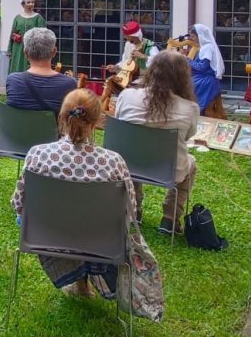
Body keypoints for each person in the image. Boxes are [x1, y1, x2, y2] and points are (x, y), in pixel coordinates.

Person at [12, 90, 159, 312]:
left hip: (46, 236)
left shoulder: (37, 155)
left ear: (61, 117)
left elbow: (18, 204)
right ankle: (83, 281)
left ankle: (77, 281)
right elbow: (130, 212)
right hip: (102, 241)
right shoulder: (114, 162)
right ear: (97, 121)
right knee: (90, 222)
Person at [114, 51, 200, 234]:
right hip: (167, 169)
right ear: (183, 77)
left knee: (133, 151)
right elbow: (187, 136)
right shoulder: (190, 108)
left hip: (129, 164)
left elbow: (120, 124)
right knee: (190, 165)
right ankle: (170, 218)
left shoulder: (127, 96)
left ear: (151, 71)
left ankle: (134, 209)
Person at [3, 27, 79, 116]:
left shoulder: (13, 80)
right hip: (53, 130)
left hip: (17, 130)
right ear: (54, 52)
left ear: (25, 52)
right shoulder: (69, 83)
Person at [188, 23, 226, 116]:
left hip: (206, 80)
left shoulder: (207, 48)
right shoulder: (203, 47)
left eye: (193, 36)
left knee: (185, 86)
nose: (191, 39)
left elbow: (202, 67)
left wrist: (187, 60)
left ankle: (195, 112)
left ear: (200, 36)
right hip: (200, 77)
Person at [7, 0, 46, 75]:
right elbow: (12, 33)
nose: (31, 4)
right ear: (23, 4)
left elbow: (42, 35)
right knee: (16, 69)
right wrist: (10, 50)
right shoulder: (17, 18)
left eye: (32, 2)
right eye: (28, 2)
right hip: (17, 48)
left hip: (31, 48)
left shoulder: (38, 18)